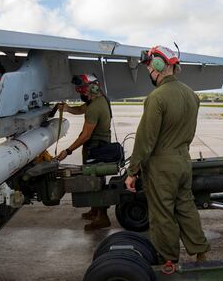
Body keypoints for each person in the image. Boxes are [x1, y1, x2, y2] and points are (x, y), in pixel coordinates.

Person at [124, 45, 210, 264]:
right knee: (186, 207)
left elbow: (145, 139)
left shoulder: (156, 98)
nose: (149, 73)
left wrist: (132, 171)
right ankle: (200, 251)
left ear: (158, 67)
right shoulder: (192, 95)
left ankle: (169, 260)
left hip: (162, 166)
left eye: (149, 69)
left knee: (162, 214)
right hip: (183, 161)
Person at [55, 74, 113, 230]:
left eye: (84, 91)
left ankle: (103, 218)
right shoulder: (100, 100)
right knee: (95, 180)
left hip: (96, 149)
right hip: (99, 147)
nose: (83, 95)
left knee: (96, 183)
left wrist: (68, 150)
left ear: (94, 88)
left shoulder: (95, 107)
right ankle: (95, 211)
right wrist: (67, 108)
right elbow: (81, 109)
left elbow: (86, 135)